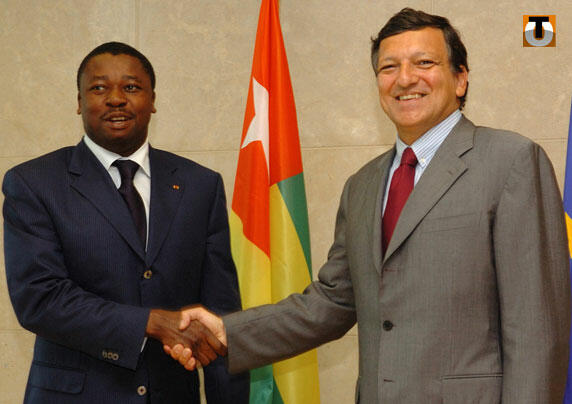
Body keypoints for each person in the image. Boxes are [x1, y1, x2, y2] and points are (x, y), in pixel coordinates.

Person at [167, 8, 571, 404]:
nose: (405, 78)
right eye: (389, 67)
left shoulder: (511, 161)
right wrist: (226, 331)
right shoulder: (362, 186)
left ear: (460, 78)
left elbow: (536, 330)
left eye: (424, 63)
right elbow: (332, 302)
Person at [3, 41, 249, 403]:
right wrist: (151, 323)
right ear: (79, 101)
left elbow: (220, 315)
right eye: (99, 88)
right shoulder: (34, 183)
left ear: (152, 100)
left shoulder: (200, 185)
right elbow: (40, 299)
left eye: (131, 87)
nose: (116, 99)